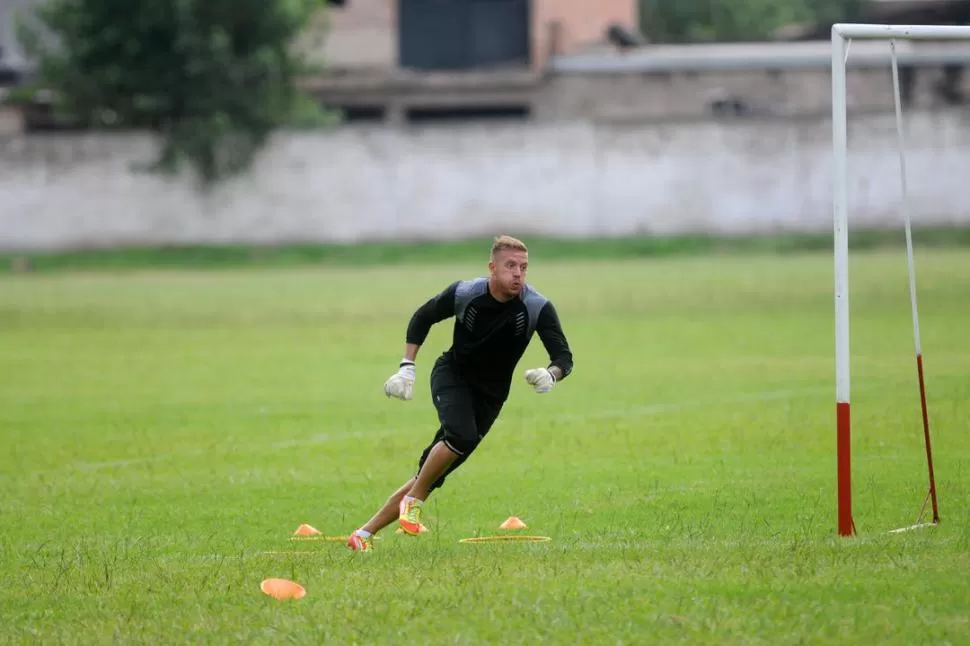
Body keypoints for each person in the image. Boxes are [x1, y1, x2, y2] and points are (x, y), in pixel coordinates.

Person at [346, 235, 575, 551]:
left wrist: (551, 374)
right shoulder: (465, 293)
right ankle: (413, 502)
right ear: (492, 267)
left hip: (491, 397)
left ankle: (363, 535)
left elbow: (564, 357)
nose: (518, 274)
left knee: (432, 471)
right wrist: (406, 368)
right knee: (460, 437)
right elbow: (422, 317)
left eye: (523, 267)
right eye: (510, 266)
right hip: (452, 376)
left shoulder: (537, 306)